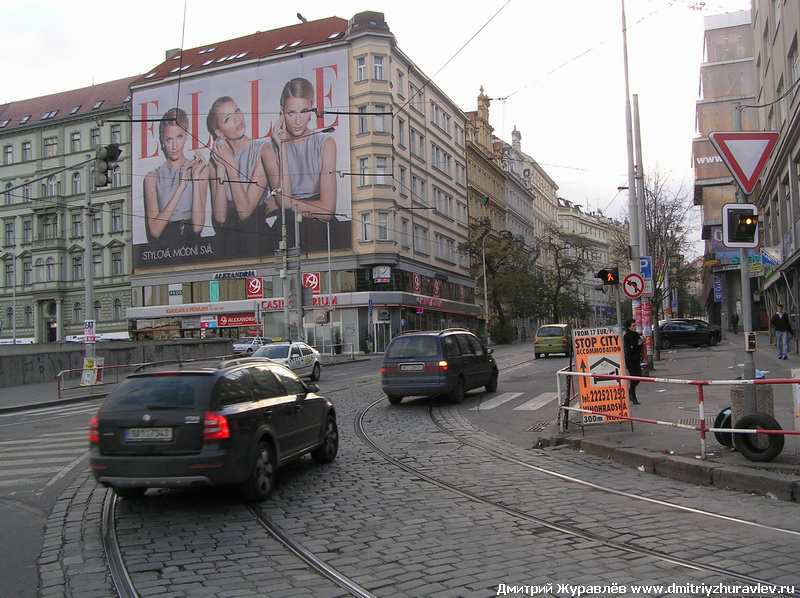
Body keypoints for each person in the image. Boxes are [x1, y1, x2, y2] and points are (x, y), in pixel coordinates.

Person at [264, 77, 341, 252]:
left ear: (312, 109)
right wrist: (282, 148)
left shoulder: (325, 142)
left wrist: (289, 203)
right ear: (282, 112)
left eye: (304, 111)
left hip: (321, 231)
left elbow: (328, 211)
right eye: (291, 113)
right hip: (286, 230)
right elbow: (284, 201)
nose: (298, 121)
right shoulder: (269, 150)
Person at [206, 96, 271, 258]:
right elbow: (220, 217)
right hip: (227, 241)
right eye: (228, 119)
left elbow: (244, 212)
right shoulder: (215, 161)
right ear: (219, 133)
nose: (237, 119)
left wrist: (230, 166)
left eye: (237, 110)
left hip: (256, 240)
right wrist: (221, 168)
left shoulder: (262, 150)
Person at [143, 108, 208, 253]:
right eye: (168, 139)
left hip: (194, 247)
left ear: (187, 134)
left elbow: (198, 227)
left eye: (179, 137)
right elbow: (154, 230)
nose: (174, 146)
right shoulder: (152, 177)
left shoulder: (200, 169)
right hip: (164, 249)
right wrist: (180, 188)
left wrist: (195, 178)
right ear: (161, 138)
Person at [623, 318, 643, 404]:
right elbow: (629, 348)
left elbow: (640, 346)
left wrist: (635, 346)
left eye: (635, 325)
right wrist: (636, 346)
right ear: (628, 327)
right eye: (633, 326)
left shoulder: (636, 334)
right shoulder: (626, 336)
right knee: (633, 377)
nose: (635, 327)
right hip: (630, 359)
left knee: (638, 377)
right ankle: (633, 396)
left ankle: (630, 391)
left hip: (637, 358)